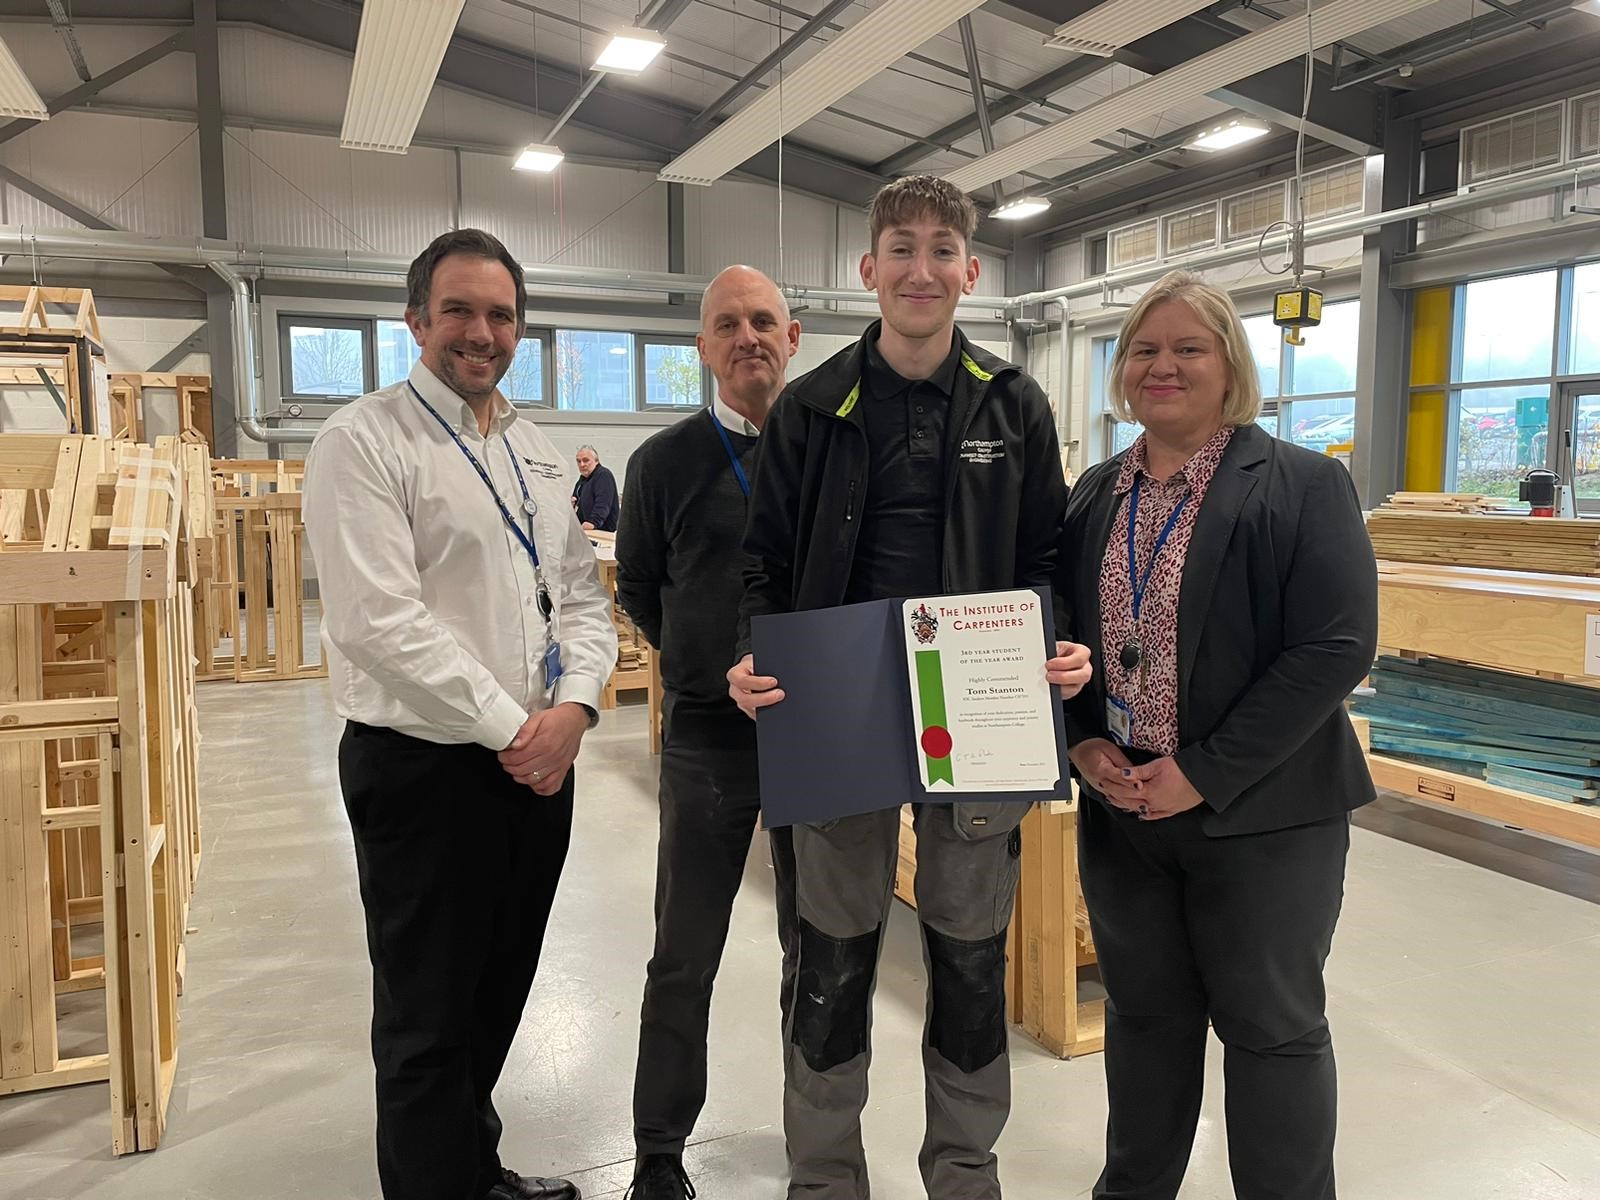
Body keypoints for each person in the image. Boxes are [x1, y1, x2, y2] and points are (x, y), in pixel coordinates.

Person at [727, 175, 1093, 1200]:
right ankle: (825, 1176)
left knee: (970, 960)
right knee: (834, 957)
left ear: (970, 271)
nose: (920, 268)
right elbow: (760, 562)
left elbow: (1047, 558)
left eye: (942, 249)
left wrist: (1056, 643)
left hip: (977, 709)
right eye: (901, 248)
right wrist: (750, 656)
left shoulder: (1013, 405)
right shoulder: (810, 407)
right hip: (840, 710)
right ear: (868, 270)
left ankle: (964, 1169)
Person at [303, 228, 618, 1200]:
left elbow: (578, 594)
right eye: (458, 311)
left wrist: (574, 708)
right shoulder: (362, 441)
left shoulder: (529, 450)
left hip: (538, 765)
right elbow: (375, 620)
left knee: (495, 994)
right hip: (424, 770)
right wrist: (514, 727)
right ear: (415, 320)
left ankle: (467, 1171)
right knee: (426, 1022)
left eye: (500, 315)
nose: (479, 332)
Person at [1055, 270, 1378, 1200]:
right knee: (1145, 1021)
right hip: (1125, 810)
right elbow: (1066, 632)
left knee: (1271, 1029)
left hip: (1264, 817)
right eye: (1144, 351)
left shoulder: (1303, 484)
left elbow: (1337, 646)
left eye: (1188, 348)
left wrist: (1203, 771)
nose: (1164, 366)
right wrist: (1081, 742)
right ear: (1121, 375)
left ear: (1229, 365)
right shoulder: (1095, 492)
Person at [615, 265, 803, 1200]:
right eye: (726, 324)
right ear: (702, 346)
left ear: (793, 337)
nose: (746, 337)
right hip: (707, 737)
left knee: (819, 948)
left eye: (763, 320)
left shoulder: (829, 450)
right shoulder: (662, 463)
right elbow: (642, 587)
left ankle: (814, 1138)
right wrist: (704, 667)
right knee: (684, 949)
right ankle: (657, 1155)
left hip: (818, 734)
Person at [572, 444, 619, 531]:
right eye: (578, 461)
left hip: (603, 531)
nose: (582, 464)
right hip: (586, 530)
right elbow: (576, 500)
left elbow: (603, 504)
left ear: (596, 461)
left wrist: (593, 522)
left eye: (586, 460)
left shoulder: (603, 475)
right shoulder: (582, 480)